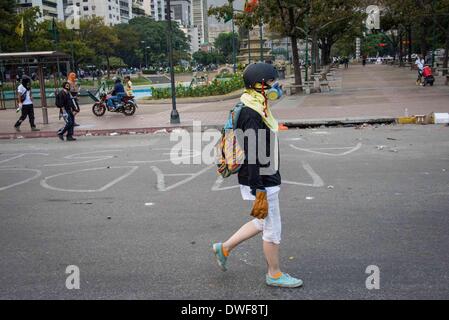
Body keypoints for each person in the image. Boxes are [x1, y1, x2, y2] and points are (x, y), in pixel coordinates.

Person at [212, 63, 303, 288]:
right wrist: (258, 188)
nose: (276, 86)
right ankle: (274, 274)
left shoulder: (255, 103)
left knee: (262, 223)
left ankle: (224, 248)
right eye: (272, 82)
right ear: (259, 85)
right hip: (261, 178)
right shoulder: (251, 112)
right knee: (273, 229)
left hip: (262, 174)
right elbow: (252, 153)